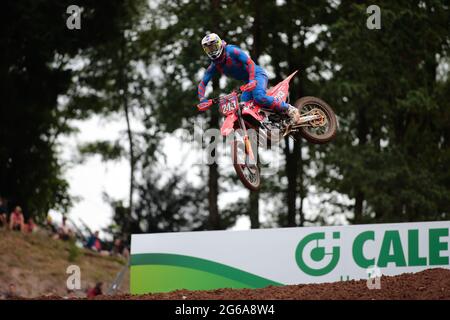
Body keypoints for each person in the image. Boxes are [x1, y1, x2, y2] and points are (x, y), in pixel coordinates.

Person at [197, 33, 301, 123]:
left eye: (214, 47)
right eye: (208, 49)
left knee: (259, 97)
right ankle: (266, 123)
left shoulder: (232, 51)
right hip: (248, 82)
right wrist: (202, 100)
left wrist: (252, 80)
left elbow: (249, 62)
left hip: (256, 75)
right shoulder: (214, 65)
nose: (212, 50)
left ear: (219, 44)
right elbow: (202, 83)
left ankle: (289, 109)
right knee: (243, 108)